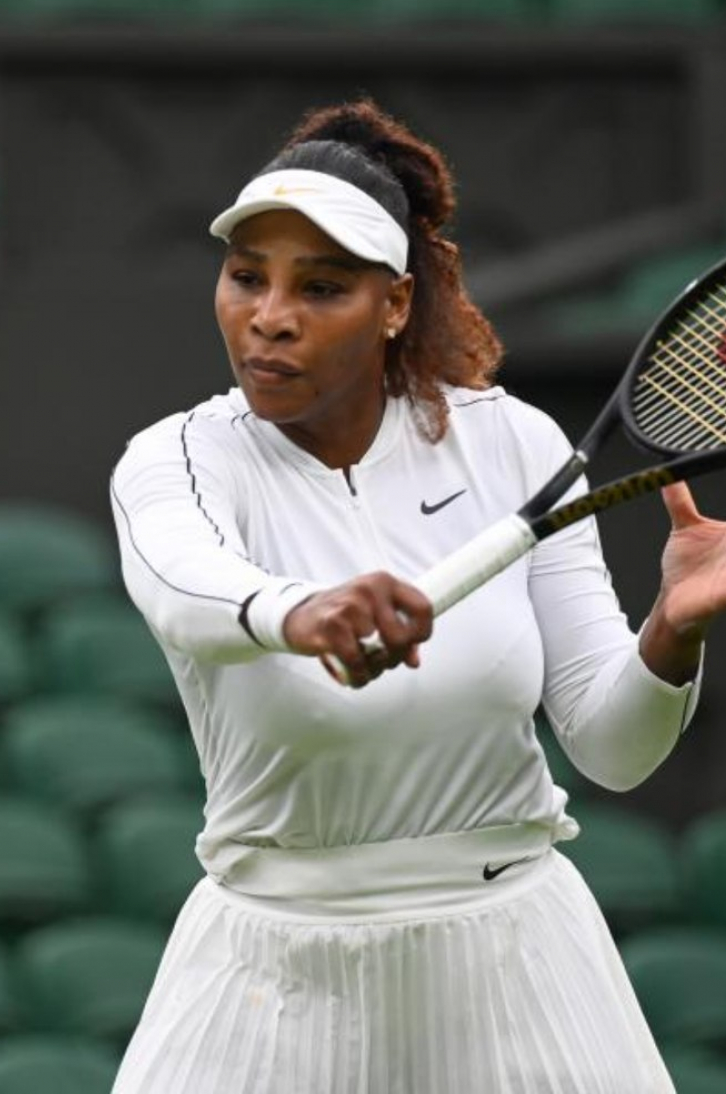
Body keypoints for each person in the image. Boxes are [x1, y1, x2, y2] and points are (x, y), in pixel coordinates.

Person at [108, 98, 722, 1093]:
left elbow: (614, 750)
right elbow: (186, 591)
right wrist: (301, 613)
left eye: (321, 286)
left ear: (393, 304)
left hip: (516, 963)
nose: (270, 316)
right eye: (247, 277)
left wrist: (670, 635)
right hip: (272, 972)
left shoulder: (513, 441)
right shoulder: (178, 457)